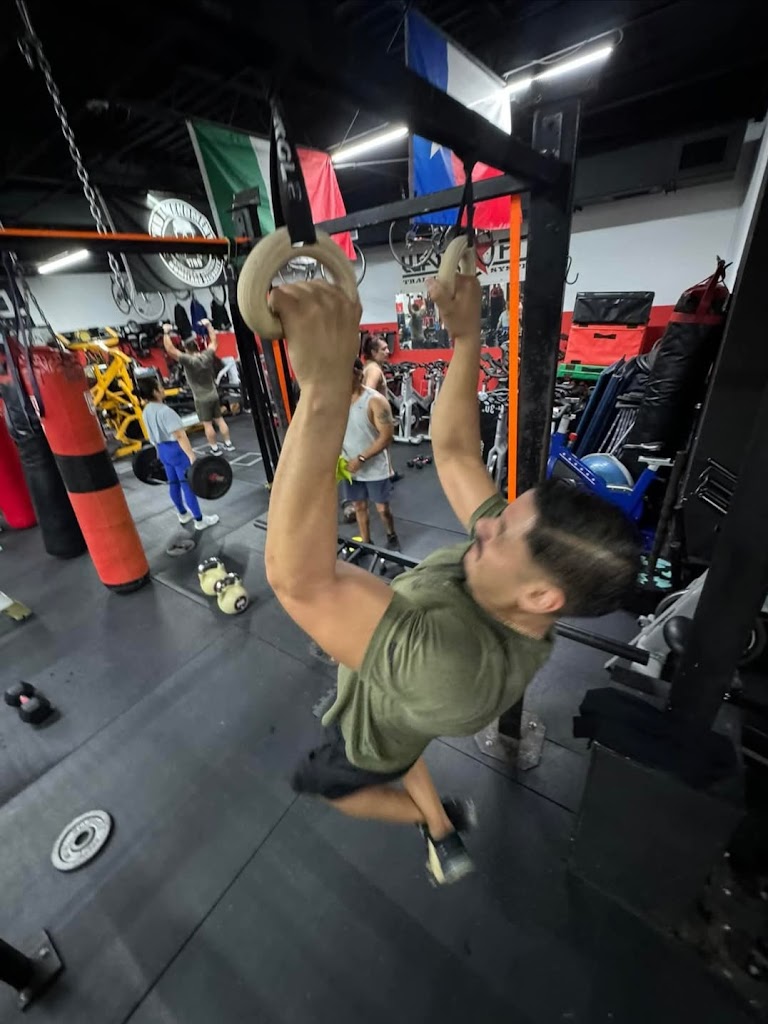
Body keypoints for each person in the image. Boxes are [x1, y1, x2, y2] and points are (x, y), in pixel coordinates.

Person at [263, 274, 640, 887]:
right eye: (502, 514)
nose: (483, 525)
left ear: (541, 596)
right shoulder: (515, 579)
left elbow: (298, 580)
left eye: (500, 532)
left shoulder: (453, 665)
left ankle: (430, 817)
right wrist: (467, 337)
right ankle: (442, 821)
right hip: (397, 699)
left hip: (372, 737)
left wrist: (326, 388)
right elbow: (458, 452)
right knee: (408, 740)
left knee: (334, 788)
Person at [138, 377, 219, 531]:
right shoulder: (165, 411)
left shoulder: (146, 411)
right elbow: (180, 436)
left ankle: (183, 514)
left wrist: (159, 453)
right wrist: (191, 456)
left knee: (173, 483)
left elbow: (151, 436)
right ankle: (199, 520)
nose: (163, 389)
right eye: (160, 387)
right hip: (176, 451)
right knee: (187, 485)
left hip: (162, 450)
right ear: (155, 392)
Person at [342, 359, 399, 551]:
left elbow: (387, 436)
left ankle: (391, 535)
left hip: (374, 466)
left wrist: (361, 458)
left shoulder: (375, 401)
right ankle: (366, 543)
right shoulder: (337, 402)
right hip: (350, 466)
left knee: (382, 509)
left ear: (358, 373)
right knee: (359, 506)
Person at [163, 321, 235, 455]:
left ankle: (215, 448)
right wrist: (209, 326)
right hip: (213, 394)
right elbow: (214, 342)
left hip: (201, 399)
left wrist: (166, 332)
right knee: (220, 419)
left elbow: (170, 350)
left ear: (186, 350)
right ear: (197, 347)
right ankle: (228, 443)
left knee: (207, 424)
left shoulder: (188, 360)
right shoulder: (206, 355)